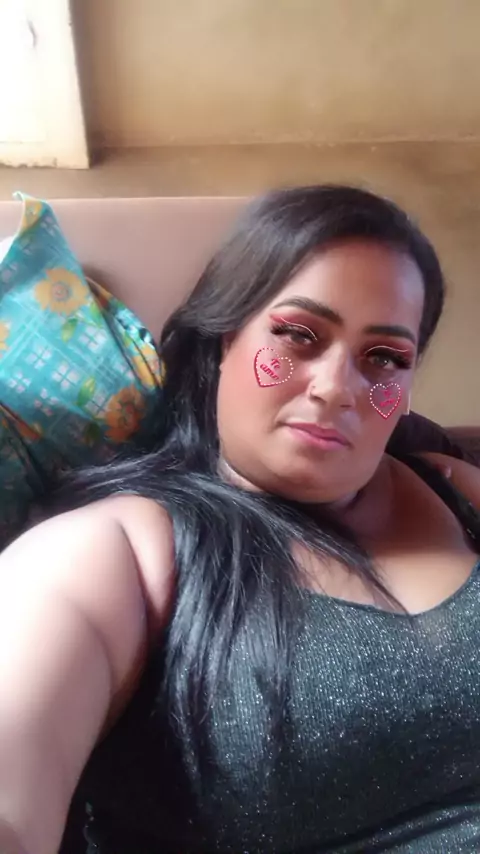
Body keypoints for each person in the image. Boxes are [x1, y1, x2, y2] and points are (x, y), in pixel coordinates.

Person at [1, 185, 479, 854]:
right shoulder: (120, 551)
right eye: (299, 336)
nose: (337, 388)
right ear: (225, 338)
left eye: (384, 359)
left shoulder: (451, 485)